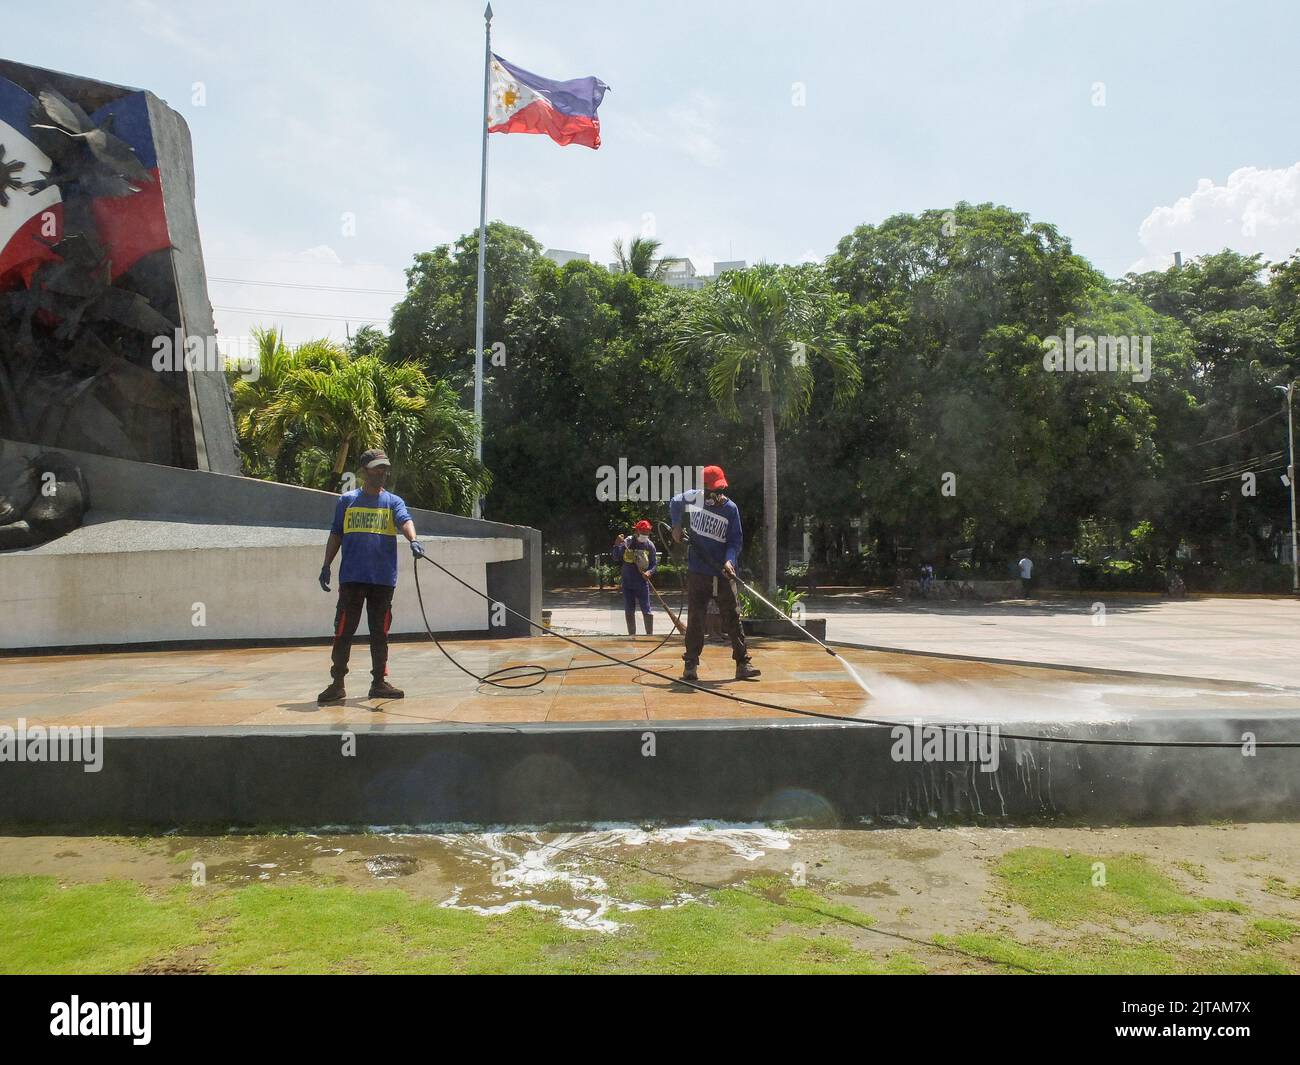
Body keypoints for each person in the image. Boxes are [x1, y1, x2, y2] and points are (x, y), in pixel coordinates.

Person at [317, 448, 424, 705]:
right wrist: (326, 565)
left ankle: (379, 682)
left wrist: (414, 539)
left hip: (383, 579)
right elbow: (336, 534)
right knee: (344, 630)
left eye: (384, 467)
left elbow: (405, 520)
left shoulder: (393, 502)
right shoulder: (347, 501)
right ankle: (337, 683)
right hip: (352, 578)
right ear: (364, 470)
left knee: (380, 632)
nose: (382, 472)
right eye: (377, 468)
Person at [668, 465, 760, 682]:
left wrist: (730, 560)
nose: (717, 496)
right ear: (704, 490)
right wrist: (676, 526)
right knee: (696, 619)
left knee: (732, 617)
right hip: (698, 572)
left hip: (723, 573)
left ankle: (742, 663)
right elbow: (674, 502)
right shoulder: (694, 498)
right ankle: (690, 665)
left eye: (720, 490)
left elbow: (735, 541)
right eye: (713, 491)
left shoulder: (731, 509)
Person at [612, 519, 658, 635]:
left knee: (646, 610)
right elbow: (616, 557)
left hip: (642, 583)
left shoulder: (650, 546)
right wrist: (617, 544)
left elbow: (653, 563)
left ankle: (649, 635)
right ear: (636, 531)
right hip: (627, 583)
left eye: (647, 533)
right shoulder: (627, 542)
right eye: (643, 532)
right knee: (629, 610)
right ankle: (631, 635)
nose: (645, 535)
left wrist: (649, 572)